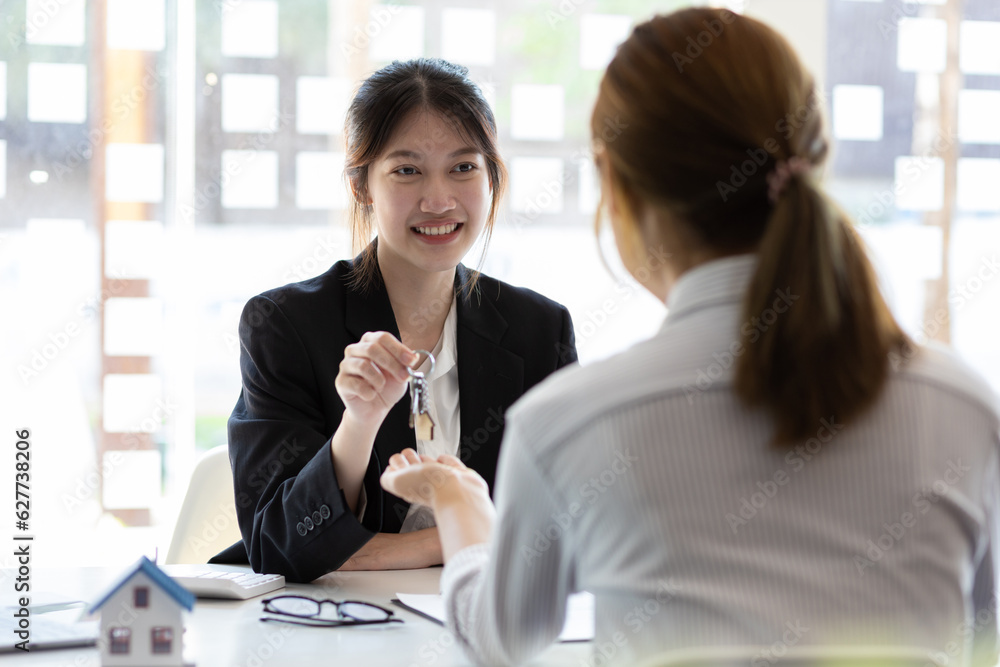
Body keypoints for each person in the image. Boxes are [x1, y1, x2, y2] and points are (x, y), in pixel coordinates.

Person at [380, 8, 1000, 667]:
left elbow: (500, 638)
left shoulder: (570, 422)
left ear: (615, 183)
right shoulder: (962, 405)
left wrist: (459, 501)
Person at [210, 58, 577, 583]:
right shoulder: (285, 325)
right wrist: (358, 423)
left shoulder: (540, 330)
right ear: (362, 184)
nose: (439, 200)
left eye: (464, 167)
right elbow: (279, 545)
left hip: (488, 630)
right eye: (407, 170)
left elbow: (568, 528)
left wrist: (372, 549)